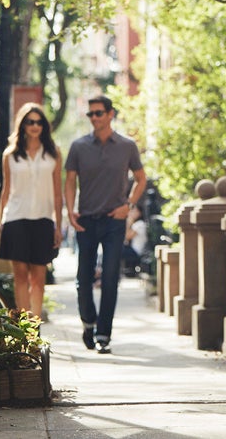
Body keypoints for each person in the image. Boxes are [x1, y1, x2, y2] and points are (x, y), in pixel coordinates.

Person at [65, 95, 147, 354]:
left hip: (115, 221)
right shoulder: (78, 146)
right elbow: (69, 181)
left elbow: (141, 178)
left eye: (98, 113)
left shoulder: (126, 146)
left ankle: (103, 334)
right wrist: (70, 211)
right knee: (84, 279)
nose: (94, 118)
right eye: (90, 114)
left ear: (110, 114)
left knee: (110, 278)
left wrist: (129, 205)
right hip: (86, 220)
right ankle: (88, 321)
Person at [0, 103, 63, 320]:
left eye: (38, 122)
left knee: (38, 277)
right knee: (20, 277)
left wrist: (58, 226)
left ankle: (35, 324)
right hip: (15, 218)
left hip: (43, 220)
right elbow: (6, 191)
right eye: (30, 122)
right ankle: (24, 327)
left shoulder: (53, 154)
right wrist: (0, 222)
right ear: (23, 125)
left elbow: (57, 193)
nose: (34, 126)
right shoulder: (10, 155)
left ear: (43, 126)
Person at [122, 204, 148, 277]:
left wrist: (129, 222)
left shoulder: (140, 224)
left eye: (134, 211)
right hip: (132, 250)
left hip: (136, 252)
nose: (131, 212)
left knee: (116, 250)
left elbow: (127, 236)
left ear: (139, 213)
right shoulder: (137, 224)